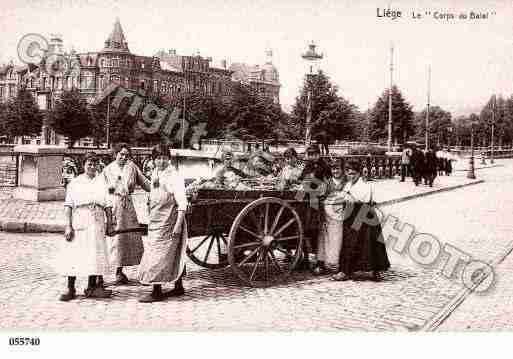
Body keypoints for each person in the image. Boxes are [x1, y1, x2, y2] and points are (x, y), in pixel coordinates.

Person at [56, 152, 114, 301]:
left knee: (95, 253)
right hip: (81, 218)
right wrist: (68, 226)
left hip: (97, 219)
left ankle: (91, 287)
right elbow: (68, 206)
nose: (92, 166)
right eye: (89, 163)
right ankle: (70, 288)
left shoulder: (102, 182)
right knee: (75, 253)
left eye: (95, 163)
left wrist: (110, 224)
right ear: (83, 165)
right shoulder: (75, 183)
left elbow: (108, 205)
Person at [138, 144, 188, 302]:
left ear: (169, 159)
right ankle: (178, 286)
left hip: (169, 220)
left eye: (164, 158)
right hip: (156, 218)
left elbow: (182, 203)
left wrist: (178, 226)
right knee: (168, 252)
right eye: (158, 158)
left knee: (161, 253)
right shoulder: (155, 173)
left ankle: (157, 290)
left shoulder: (174, 176)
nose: (161, 161)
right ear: (153, 160)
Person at [332, 160, 390, 281]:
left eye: (354, 174)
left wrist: (347, 197)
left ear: (359, 174)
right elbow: (343, 196)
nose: (351, 176)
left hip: (364, 215)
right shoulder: (348, 185)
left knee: (369, 242)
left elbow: (359, 199)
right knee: (349, 242)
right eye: (348, 174)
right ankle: (346, 270)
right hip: (351, 215)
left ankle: (376, 269)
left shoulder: (365, 185)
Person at [102, 143, 151, 285]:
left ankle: (127, 270)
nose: (123, 157)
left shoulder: (132, 167)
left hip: (128, 207)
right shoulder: (108, 170)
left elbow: (145, 183)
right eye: (121, 154)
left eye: (126, 155)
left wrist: (160, 188)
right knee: (115, 240)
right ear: (115, 154)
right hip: (113, 204)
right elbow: (102, 189)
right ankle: (112, 272)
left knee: (129, 238)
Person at [314, 158, 346, 275]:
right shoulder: (327, 183)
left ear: (342, 170)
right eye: (333, 169)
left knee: (338, 238)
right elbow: (321, 197)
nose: (335, 171)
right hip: (328, 214)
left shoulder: (346, 182)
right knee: (325, 238)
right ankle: (323, 262)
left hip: (341, 215)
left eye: (338, 169)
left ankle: (336, 263)